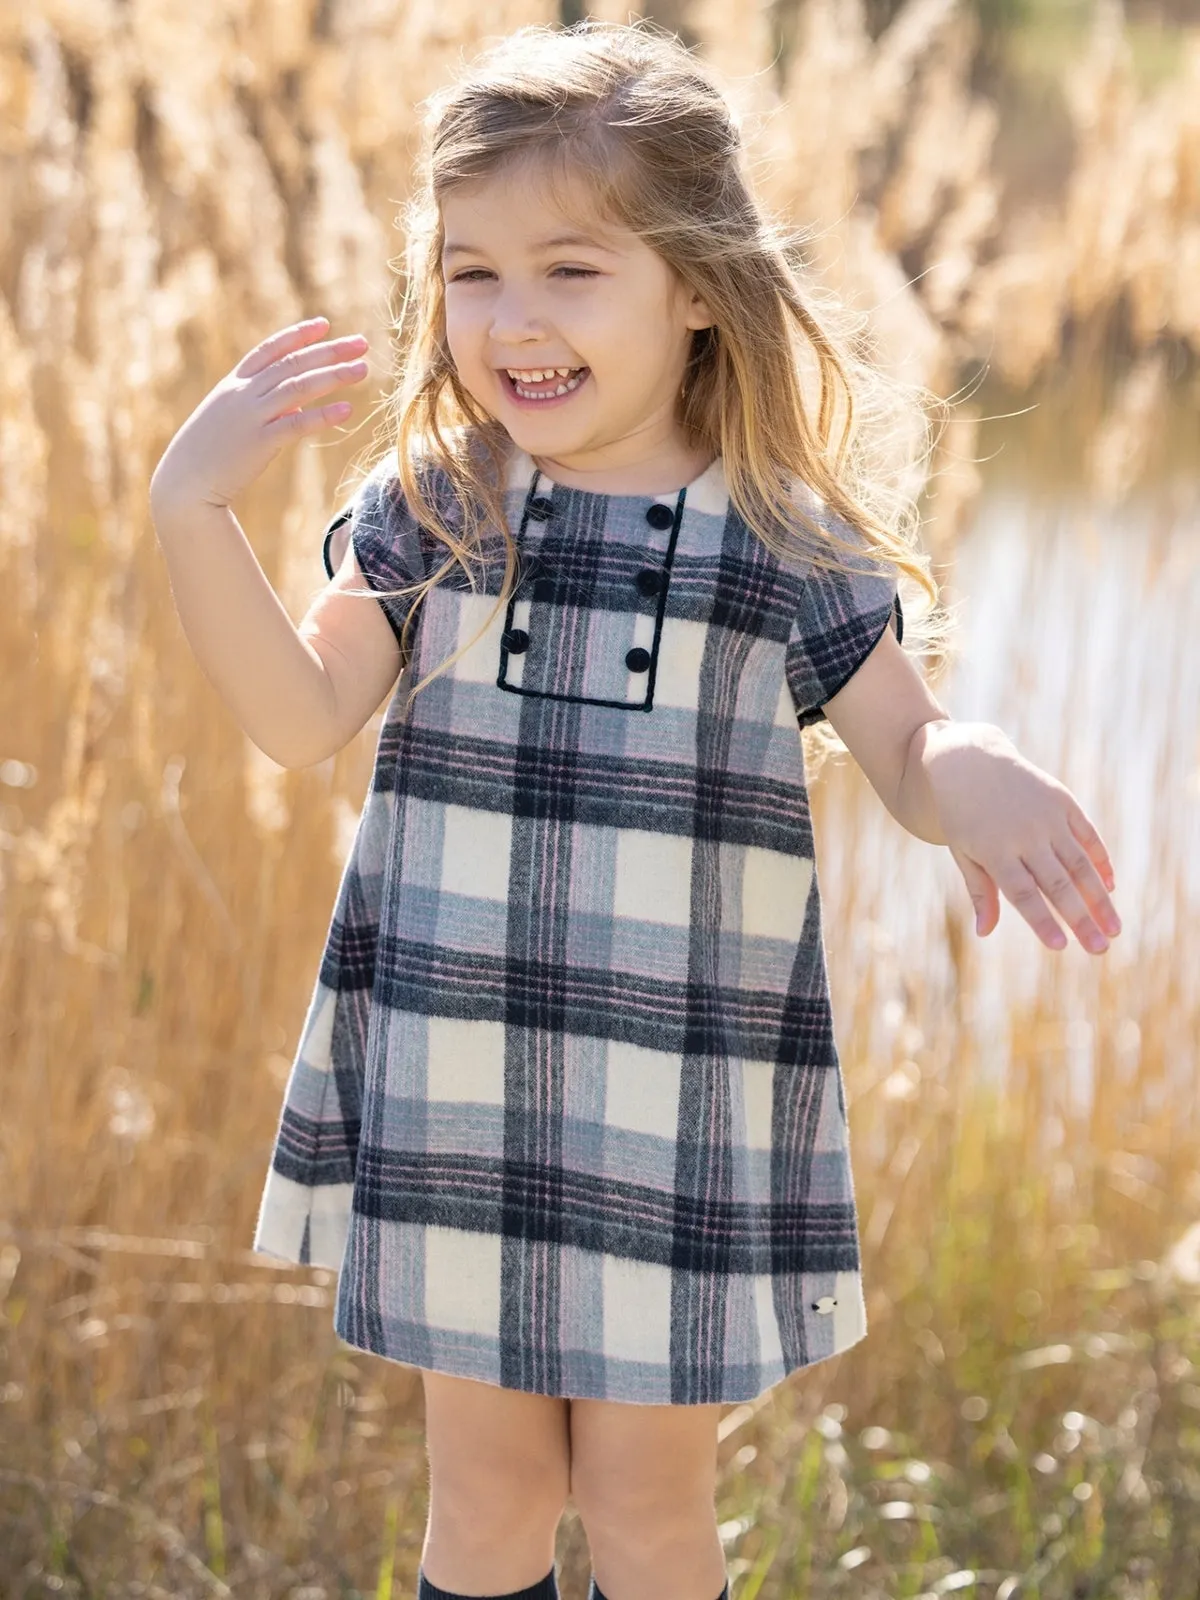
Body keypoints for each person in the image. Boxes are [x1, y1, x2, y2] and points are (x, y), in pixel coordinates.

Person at [148, 20, 1121, 1600]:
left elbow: (907, 746)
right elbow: (294, 714)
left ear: (696, 287)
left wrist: (981, 771)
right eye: (472, 272)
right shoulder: (437, 507)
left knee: (648, 1505)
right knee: (487, 1499)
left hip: (671, 1103)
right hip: (454, 1081)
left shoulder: (779, 543)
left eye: (569, 270)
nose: (513, 321)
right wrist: (190, 513)